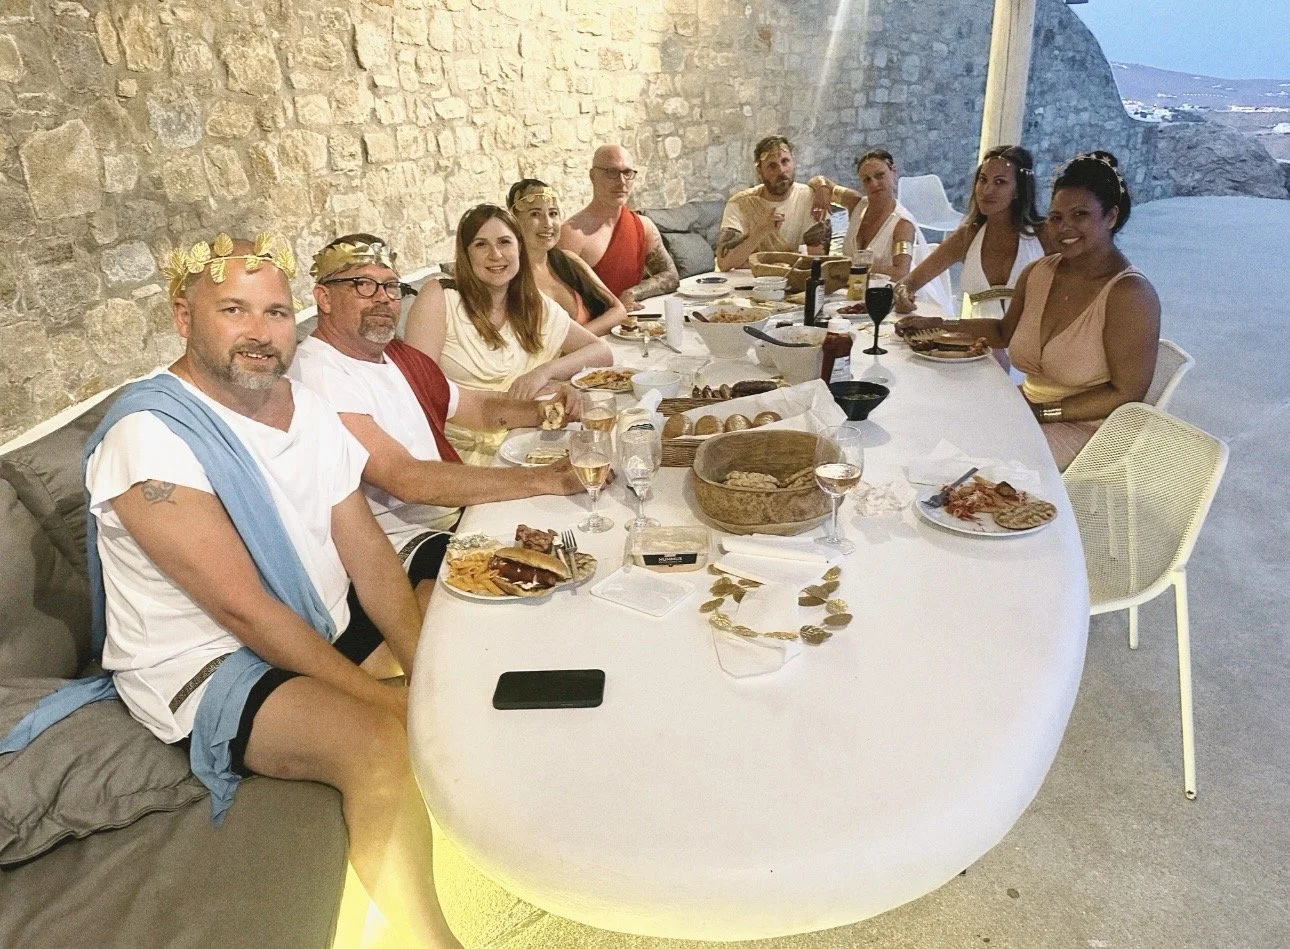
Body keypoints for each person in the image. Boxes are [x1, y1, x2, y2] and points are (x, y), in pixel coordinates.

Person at [0, 234, 462, 946]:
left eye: (275, 312)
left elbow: (368, 551)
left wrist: (425, 672)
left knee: (457, 643)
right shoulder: (148, 435)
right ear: (185, 318)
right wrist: (386, 701)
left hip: (311, 616)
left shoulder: (306, 406)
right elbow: (239, 607)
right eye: (234, 310)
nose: (260, 332)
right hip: (206, 662)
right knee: (383, 745)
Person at [293, 233, 587, 611]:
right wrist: (542, 479)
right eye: (363, 285)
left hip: (457, 518)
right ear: (324, 297)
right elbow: (406, 479)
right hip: (402, 547)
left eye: (391, 286)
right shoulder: (319, 371)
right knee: (546, 593)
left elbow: (476, 408)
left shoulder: (392, 354)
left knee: (572, 551)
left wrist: (546, 408)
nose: (383, 297)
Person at [897, 152, 1161, 470]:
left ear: (1111, 217)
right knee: (937, 417)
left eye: (1080, 215)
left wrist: (1041, 413)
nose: (1065, 228)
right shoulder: (1039, 272)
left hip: (1092, 434)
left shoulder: (1130, 294)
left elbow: (1127, 392)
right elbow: (1003, 332)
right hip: (1030, 407)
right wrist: (936, 324)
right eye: (1057, 217)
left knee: (970, 458)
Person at [403, 204, 613, 464]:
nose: (495, 254)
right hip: (463, 455)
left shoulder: (533, 303)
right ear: (466, 254)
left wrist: (543, 373)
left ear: (519, 249)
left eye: (505, 242)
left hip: (532, 444)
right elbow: (420, 390)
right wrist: (528, 405)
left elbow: (601, 352)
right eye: (481, 245)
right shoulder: (440, 297)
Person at [893, 145, 1054, 318]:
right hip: (976, 340)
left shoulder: (1044, 235)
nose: (987, 190)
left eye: (1000, 182)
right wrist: (902, 293)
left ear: (1018, 190)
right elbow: (910, 281)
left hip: (1032, 341)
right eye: (983, 180)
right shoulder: (967, 237)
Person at [558, 144, 680, 310]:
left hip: (635, 326)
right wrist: (613, 309)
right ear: (593, 176)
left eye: (627, 173)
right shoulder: (571, 234)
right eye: (612, 173)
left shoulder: (643, 226)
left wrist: (632, 293)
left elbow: (671, 276)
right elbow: (561, 307)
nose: (622, 182)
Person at [507, 179, 627, 335]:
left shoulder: (570, 261)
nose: (548, 223)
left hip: (593, 355)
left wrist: (577, 343)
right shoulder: (508, 277)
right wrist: (580, 343)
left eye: (553, 213)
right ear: (514, 221)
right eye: (535, 214)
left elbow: (618, 310)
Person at [716, 135, 830, 271]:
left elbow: (817, 262)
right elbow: (724, 263)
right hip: (745, 282)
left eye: (785, 161)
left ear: (793, 162)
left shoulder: (811, 198)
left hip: (790, 281)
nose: (781, 171)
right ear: (759, 171)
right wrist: (761, 230)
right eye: (772, 166)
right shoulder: (740, 203)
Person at [807, 148, 923, 280]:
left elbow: (901, 273)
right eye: (867, 180)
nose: (874, 184)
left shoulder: (902, 224)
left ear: (893, 172)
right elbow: (817, 180)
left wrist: (851, 268)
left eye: (880, 175)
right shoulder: (856, 203)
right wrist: (821, 188)